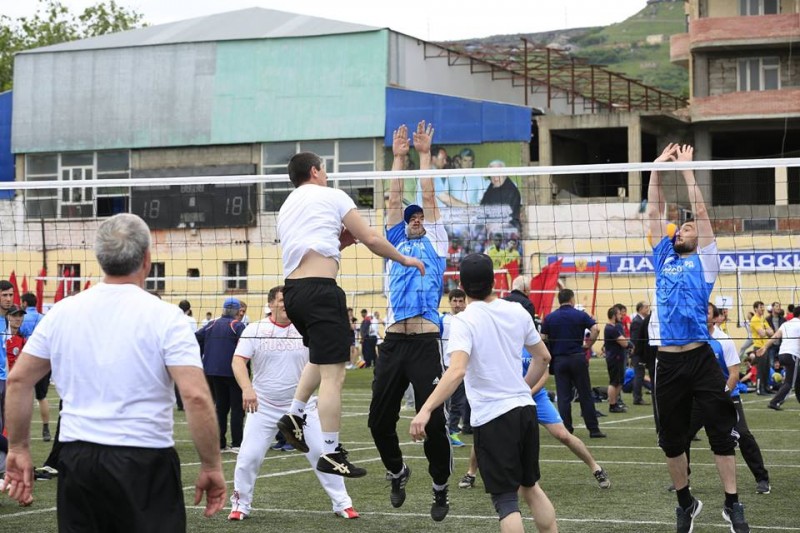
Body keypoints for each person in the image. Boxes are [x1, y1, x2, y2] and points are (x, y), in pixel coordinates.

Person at [2, 213, 225, 527]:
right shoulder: (167, 317)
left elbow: (18, 380)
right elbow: (196, 397)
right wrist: (211, 465)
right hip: (144, 458)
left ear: (100, 259)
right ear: (146, 259)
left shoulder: (63, 312)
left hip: (77, 460)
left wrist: (18, 448)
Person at [276, 148, 424, 479]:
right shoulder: (333, 195)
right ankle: (331, 452)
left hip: (294, 292)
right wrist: (404, 259)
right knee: (335, 376)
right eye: (324, 169)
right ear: (315, 171)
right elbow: (370, 237)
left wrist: (340, 242)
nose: (327, 174)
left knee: (320, 358)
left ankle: (294, 414)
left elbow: (315, 245)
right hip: (321, 291)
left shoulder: (287, 207)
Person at [410, 253, 557, 533]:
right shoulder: (518, 311)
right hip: (524, 410)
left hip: (493, 417)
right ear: (494, 282)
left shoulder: (463, 321)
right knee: (531, 487)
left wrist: (426, 409)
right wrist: (522, 389)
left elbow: (456, 371)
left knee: (506, 499)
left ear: (461, 286)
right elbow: (543, 357)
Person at [646, 143, 748, 533]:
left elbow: (701, 212)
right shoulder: (663, 258)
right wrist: (655, 168)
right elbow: (654, 212)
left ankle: (733, 504)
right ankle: (685, 503)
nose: (682, 229)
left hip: (701, 357)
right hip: (667, 361)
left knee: (721, 433)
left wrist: (688, 169)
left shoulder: (705, 261)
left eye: (687, 228)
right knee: (671, 441)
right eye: (680, 228)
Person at [368, 121, 451, 521]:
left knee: (432, 421)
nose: (416, 218)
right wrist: (398, 158)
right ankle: (397, 471)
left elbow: (427, 196)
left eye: (419, 216)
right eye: (411, 217)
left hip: (424, 341)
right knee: (377, 421)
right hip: (393, 342)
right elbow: (393, 198)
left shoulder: (436, 240)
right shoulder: (395, 243)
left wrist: (423, 155)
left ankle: (440, 487)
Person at [228, 286, 359, 521]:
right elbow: (238, 361)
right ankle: (240, 505)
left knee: (324, 453)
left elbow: (321, 363)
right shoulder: (255, 329)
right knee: (248, 457)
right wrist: (247, 389)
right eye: (281, 300)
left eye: (288, 300)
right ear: (271, 304)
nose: (285, 304)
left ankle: (343, 503)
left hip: (302, 408)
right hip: (263, 407)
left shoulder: (306, 330)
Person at [540, 289, 605, 438]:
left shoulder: (550, 318)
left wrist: (550, 350)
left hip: (559, 360)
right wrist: (588, 345)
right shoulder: (580, 315)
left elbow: (542, 337)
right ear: (571, 299)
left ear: (559, 300)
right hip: (577, 358)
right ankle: (594, 429)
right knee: (585, 394)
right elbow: (596, 329)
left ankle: (567, 429)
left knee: (563, 397)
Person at [196, 297, 246, 452]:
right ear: (237, 311)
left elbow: (195, 338)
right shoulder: (237, 325)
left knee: (220, 407)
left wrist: (204, 354)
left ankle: (219, 443)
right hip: (233, 372)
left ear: (223, 309)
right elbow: (246, 346)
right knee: (237, 408)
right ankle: (237, 443)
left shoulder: (211, 324)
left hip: (213, 372)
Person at [441, 288, 468, 447]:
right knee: (443, 401)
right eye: (454, 301)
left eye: (460, 301)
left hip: (463, 367)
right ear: (450, 302)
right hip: (445, 367)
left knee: (458, 403)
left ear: (465, 302)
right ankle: (440, 431)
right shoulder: (443, 320)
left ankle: (452, 432)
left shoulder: (469, 320)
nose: (457, 304)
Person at [758, 310, 800, 410]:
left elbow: (775, 336)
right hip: (793, 354)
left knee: (798, 380)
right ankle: (774, 402)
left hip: (782, 354)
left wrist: (765, 347)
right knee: (790, 383)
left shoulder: (785, 324)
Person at [480, 160, 521, 230]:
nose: (495, 177)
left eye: (498, 173)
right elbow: (482, 207)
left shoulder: (511, 191)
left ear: (504, 173)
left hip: (508, 230)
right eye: (492, 174)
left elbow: (509, 218)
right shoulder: (492, 186)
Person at [604, 307, 628, 413]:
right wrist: (628, 344)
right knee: (614, 382)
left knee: (620, 381)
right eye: (619, 314)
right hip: (614, 358)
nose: (621, 316)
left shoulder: (615, 327)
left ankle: (615, 402)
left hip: (618, 357)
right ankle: (612, 405)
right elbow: (624, 343)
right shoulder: (611, 328)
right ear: (614, 316)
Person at [629, 301, 650, 405]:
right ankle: (637, 398)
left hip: (642, 353)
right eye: (646, 307)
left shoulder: (643, 320)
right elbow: (636, 339)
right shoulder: (637, 321)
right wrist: (639, 353)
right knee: (639, 375)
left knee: (640, 374)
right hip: (638, 353)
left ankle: (638, 397)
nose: (648, 309)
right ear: (640, 309)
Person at [750, 301, 774, 395]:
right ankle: (759, 389)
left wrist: (766, 331)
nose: (763, 309)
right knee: (761, 369)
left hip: (765, 347)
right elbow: (762, 333)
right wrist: (766, 331)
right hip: (759, 347)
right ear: (755, 309)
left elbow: (772, 332)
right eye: (761, 307)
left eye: (763, 307)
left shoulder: (763, 319)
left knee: (767, 368)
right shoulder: (755, 319)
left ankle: (766, 387)